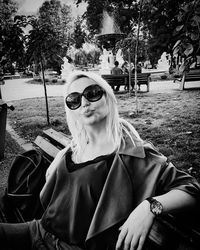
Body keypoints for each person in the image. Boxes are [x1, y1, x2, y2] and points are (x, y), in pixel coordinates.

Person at [0, 70, 200, 250]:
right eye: (74, 99)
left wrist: (149, 207)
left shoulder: (134, 153)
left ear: (108, 97)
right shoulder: (75, 148)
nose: (85, 103)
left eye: (93, 93)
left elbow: (191, 189)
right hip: (40, 231)